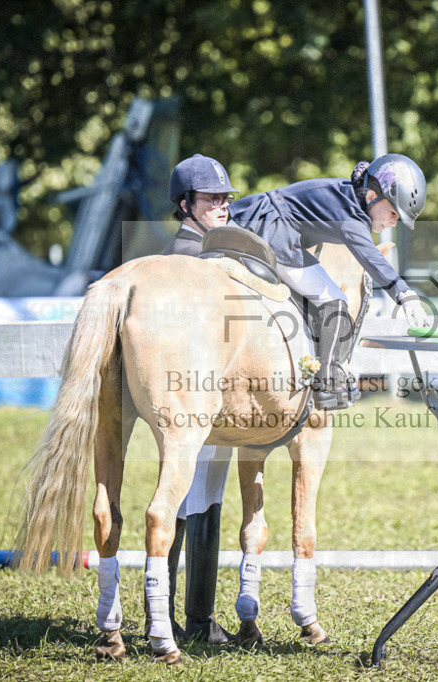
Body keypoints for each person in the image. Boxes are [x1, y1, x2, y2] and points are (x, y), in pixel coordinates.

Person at [227, 153, 431, 410]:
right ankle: (328, 385)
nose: (394, 220)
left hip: (250, 220)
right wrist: (405, 295)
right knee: (335, 299)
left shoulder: (346, 195)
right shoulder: (351, 218)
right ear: (371, 196)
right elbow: (371, 259)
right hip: (273, 233)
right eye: (393, 211)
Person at [153, 154, 236, 645]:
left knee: (188, 498)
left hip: (190, 392)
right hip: (196, 393)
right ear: (185, 204)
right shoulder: (192, 259)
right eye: (211, 199)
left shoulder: (196, 251)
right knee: (199, 495)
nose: (222, 206)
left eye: (225, 198)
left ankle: (168, 615)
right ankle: (196, 622)